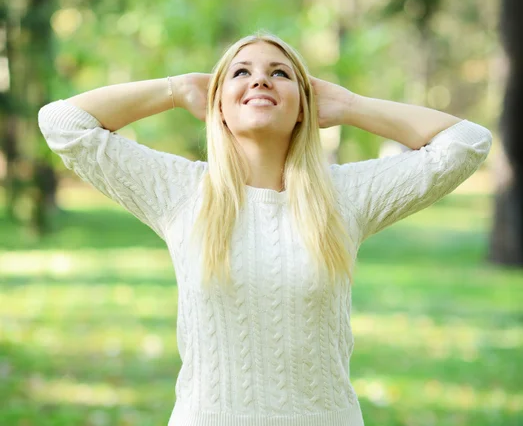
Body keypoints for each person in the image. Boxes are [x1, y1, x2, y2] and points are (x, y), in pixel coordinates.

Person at [38, 31, 493, 425]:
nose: (259, 79)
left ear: (303, 107)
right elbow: (63, 124)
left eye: (280, 73)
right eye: (240, 72)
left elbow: (466, 144)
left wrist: (351, 106)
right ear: (218, 107)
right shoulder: (181, 191)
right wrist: (177, 90)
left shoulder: (343, 195)